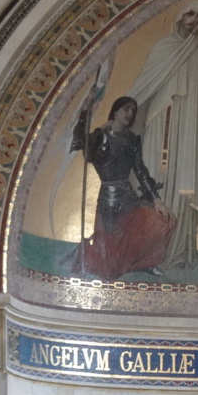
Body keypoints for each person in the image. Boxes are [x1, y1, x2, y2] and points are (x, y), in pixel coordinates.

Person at [126, 0, 198, 269]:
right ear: (179, 15)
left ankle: (177, 253)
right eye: (189, 14)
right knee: (154, 178)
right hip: (159, 125)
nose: (193, 21)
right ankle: (149, 253)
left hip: (188, 129)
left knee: (183, 184)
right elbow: (143, 88)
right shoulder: (162, 48)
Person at [80, 96, 174, 279]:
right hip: (108, 197)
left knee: (162, 220)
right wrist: (99, 131)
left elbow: (140, 171)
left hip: (128, 196)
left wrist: (156, 200)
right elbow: (87, 154)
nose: (130, 114)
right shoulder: (100, 137)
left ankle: (144, 263)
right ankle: (124, 265)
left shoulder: (132, 140)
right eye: (126, 109)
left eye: (133, 110)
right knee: (109, 259)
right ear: (115, 111)